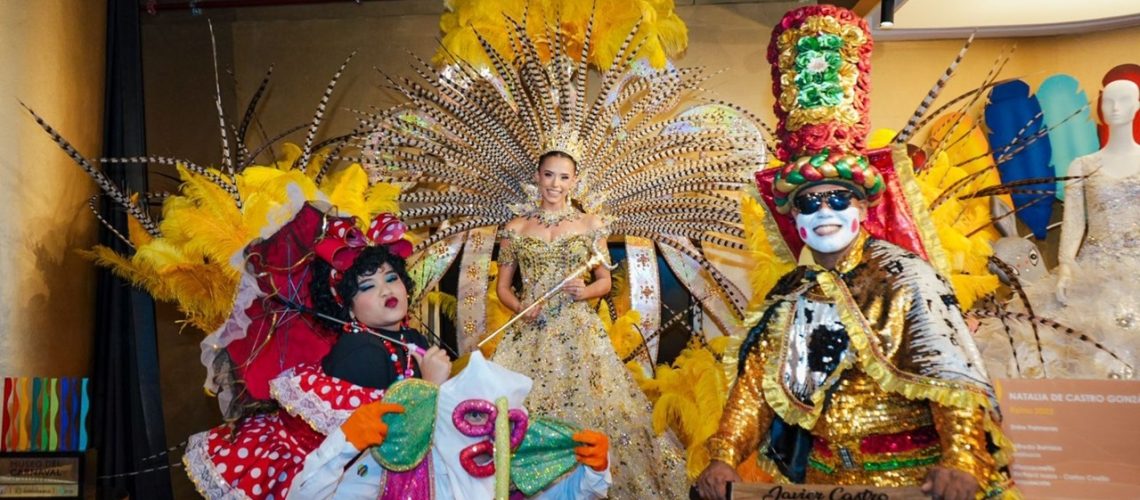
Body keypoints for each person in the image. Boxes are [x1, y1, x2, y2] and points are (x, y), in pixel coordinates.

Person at [695, 6, 1016, 500]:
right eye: (809, 201)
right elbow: (757, 385)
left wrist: (961, 458)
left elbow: (951, 373)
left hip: (911, 480)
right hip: (819, 482)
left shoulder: (907, 277)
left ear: (864, 207)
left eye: (837, 198)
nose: (823, 210)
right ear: (795, 219)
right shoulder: (790, 294)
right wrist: (722, 455)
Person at [184, 204, 451, 499]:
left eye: (391, 278)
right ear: (347, 306)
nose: (386, 291)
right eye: (367, 286)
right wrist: (431, 386)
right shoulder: (362, 351)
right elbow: (397, 445)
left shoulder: (408, 336)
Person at [489, 147, 688, 499]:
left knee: (594, 409)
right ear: (538, 176)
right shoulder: (515, 228)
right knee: (518, 410)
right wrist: (522, 305)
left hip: (578, 332)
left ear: (574, 182)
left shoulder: (590, 224)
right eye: (549, 174)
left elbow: (605, 281)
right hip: (529, 335)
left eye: (564, 177)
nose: (555, 183)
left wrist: (583, 292)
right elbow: (502, 288)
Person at [289, 351, 614, 499]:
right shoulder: (398, 470)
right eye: (476, 416)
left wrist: (593, 472)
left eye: (506, 424)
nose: (491, 434)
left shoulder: (505, 473)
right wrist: (343, 444)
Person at [1046, 69, 1140, 378]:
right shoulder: (1082, 166)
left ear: (1137, 105)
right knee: (1089, 352)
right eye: (1108, 100)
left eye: (1123, 100)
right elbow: (1072, 224)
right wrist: (1066, 266)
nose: (1115, 107)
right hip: (1095, 269)